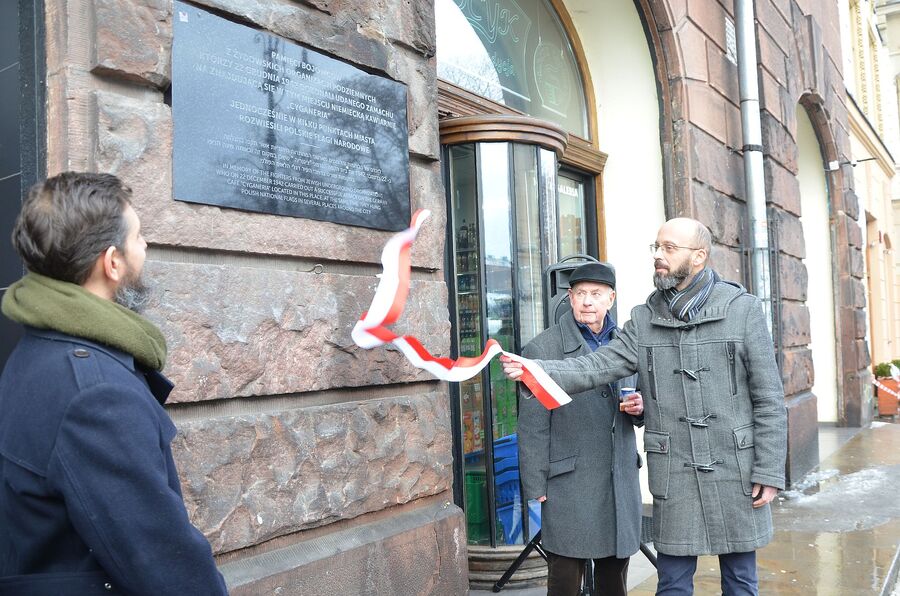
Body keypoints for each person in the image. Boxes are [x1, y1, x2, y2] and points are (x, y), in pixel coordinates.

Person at [502, 218, 787, 596]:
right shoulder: (644, 318)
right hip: (675, 473)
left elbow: (768, 397)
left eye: (669, 248)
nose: (658, 255)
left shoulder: (744, 310)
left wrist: (768, 469)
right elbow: (596, 366)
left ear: (698, 256)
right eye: (656, 246)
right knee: (671, 584)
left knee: (740, 582)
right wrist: (535, 369)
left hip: (735, 470)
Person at [0, 172, 228, 595]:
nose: (145, 247)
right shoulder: (96, 395)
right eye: (139, 237)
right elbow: (161, 562)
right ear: (112, 262)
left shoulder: (36, 347)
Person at [518, 262, 644, 596]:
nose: (588, 301)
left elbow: (646, 399)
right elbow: (532, 426)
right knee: (564, 578)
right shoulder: (541, 350)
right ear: (570, 298)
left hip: (619, 478)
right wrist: (535, 482)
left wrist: (640, 408)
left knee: (613, 578)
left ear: (611, 298)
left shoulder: (629, 345)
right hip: (568, 482)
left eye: (596, 294)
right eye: (581, 294)